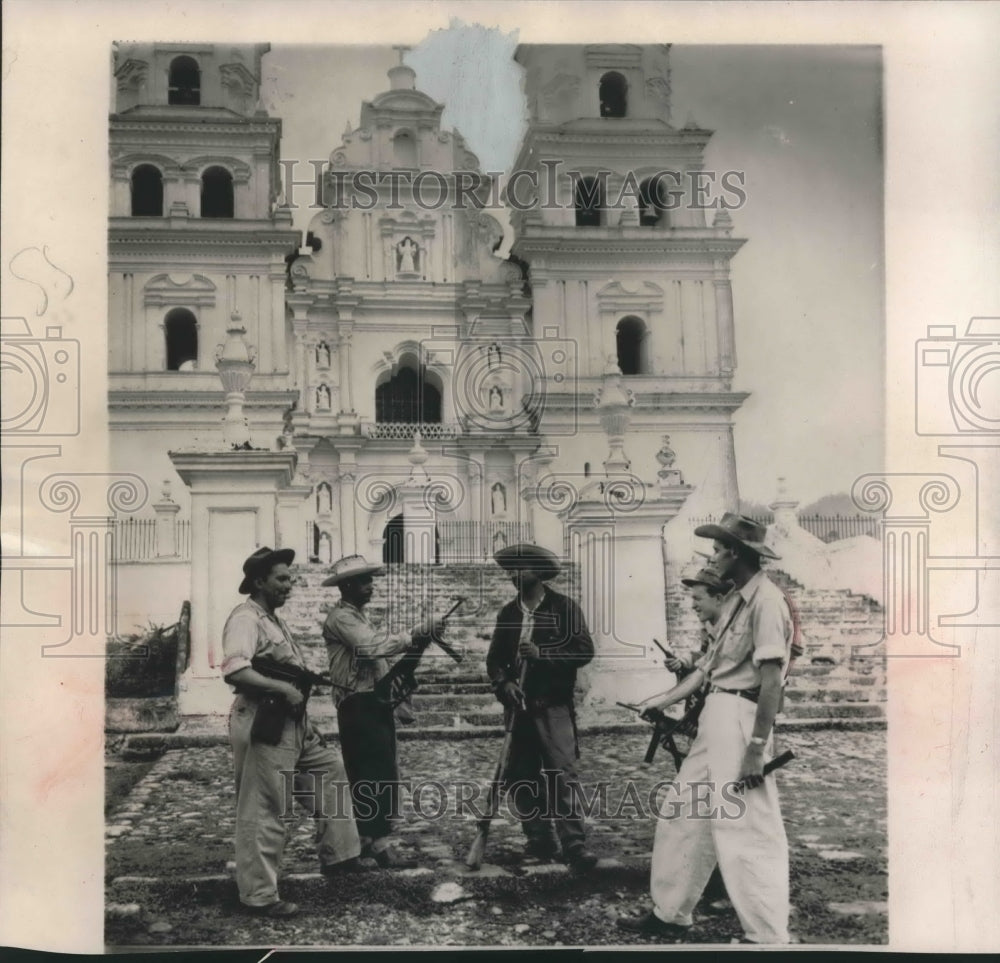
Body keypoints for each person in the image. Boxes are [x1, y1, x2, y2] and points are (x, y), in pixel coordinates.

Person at [618, 514, 793, 944]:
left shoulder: (768, 602)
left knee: (745, 827)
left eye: (717, 550)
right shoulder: (735, 600)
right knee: (683, 813)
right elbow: (706, 671)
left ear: (736, 552)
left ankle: (767, 935)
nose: (712, 558)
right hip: (716, 715)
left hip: (742, 721)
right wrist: (659, 701)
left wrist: (756, 748)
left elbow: (773, 681)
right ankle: (671, 912)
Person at [221, 547, 365, 920]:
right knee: (265, 804)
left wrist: (301, 712)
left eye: (290, 578)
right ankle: (259, 896)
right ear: (259, 581)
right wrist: (281, 689)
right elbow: (235, 669)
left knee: (330, 771)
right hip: (263, 718)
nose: (290, 585)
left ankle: (341, 858)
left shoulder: (272, 618)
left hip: (291, 721)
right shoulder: (245, 618)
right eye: (282, 578)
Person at [322, 554, 448, 869]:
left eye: (371, 580)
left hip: (373, 702)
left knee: (381, 772)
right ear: (347, 585)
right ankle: (368, 844)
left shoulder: (357, 617)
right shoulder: (342, 619)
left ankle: (374, 842)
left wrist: (419, 638)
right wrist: (415, 635)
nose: (371, 586)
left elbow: (381, 656)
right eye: (364, 581)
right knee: (367, 773)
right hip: (357, 704)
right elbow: (371, 648)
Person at [486, 544, 598, 871]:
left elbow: (584, 652)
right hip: (517, 709)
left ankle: (574, 843)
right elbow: (494, 660)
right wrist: (503, 683)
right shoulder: (508, 613)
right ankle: (539, 837)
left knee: (562, 772)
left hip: (552, 706)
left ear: (538, 570)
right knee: (521, 774)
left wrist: (542, 655)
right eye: (509, 570)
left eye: (519, 568)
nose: (513, 575)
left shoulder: (564, 608)